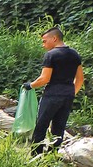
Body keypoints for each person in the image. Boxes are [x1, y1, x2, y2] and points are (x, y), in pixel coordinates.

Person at [23, 26, 84, 154]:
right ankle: (53, 156)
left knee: (41, 125)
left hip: (52, 95)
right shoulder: (74, 54)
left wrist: (30, 85)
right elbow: (80, 79)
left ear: (54, 38)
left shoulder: (51, 55)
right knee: (59, 128)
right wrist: (72, 93)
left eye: (44, 41)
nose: (43, 44)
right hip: (68, 96)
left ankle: (36, 156)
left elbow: (44, 79)